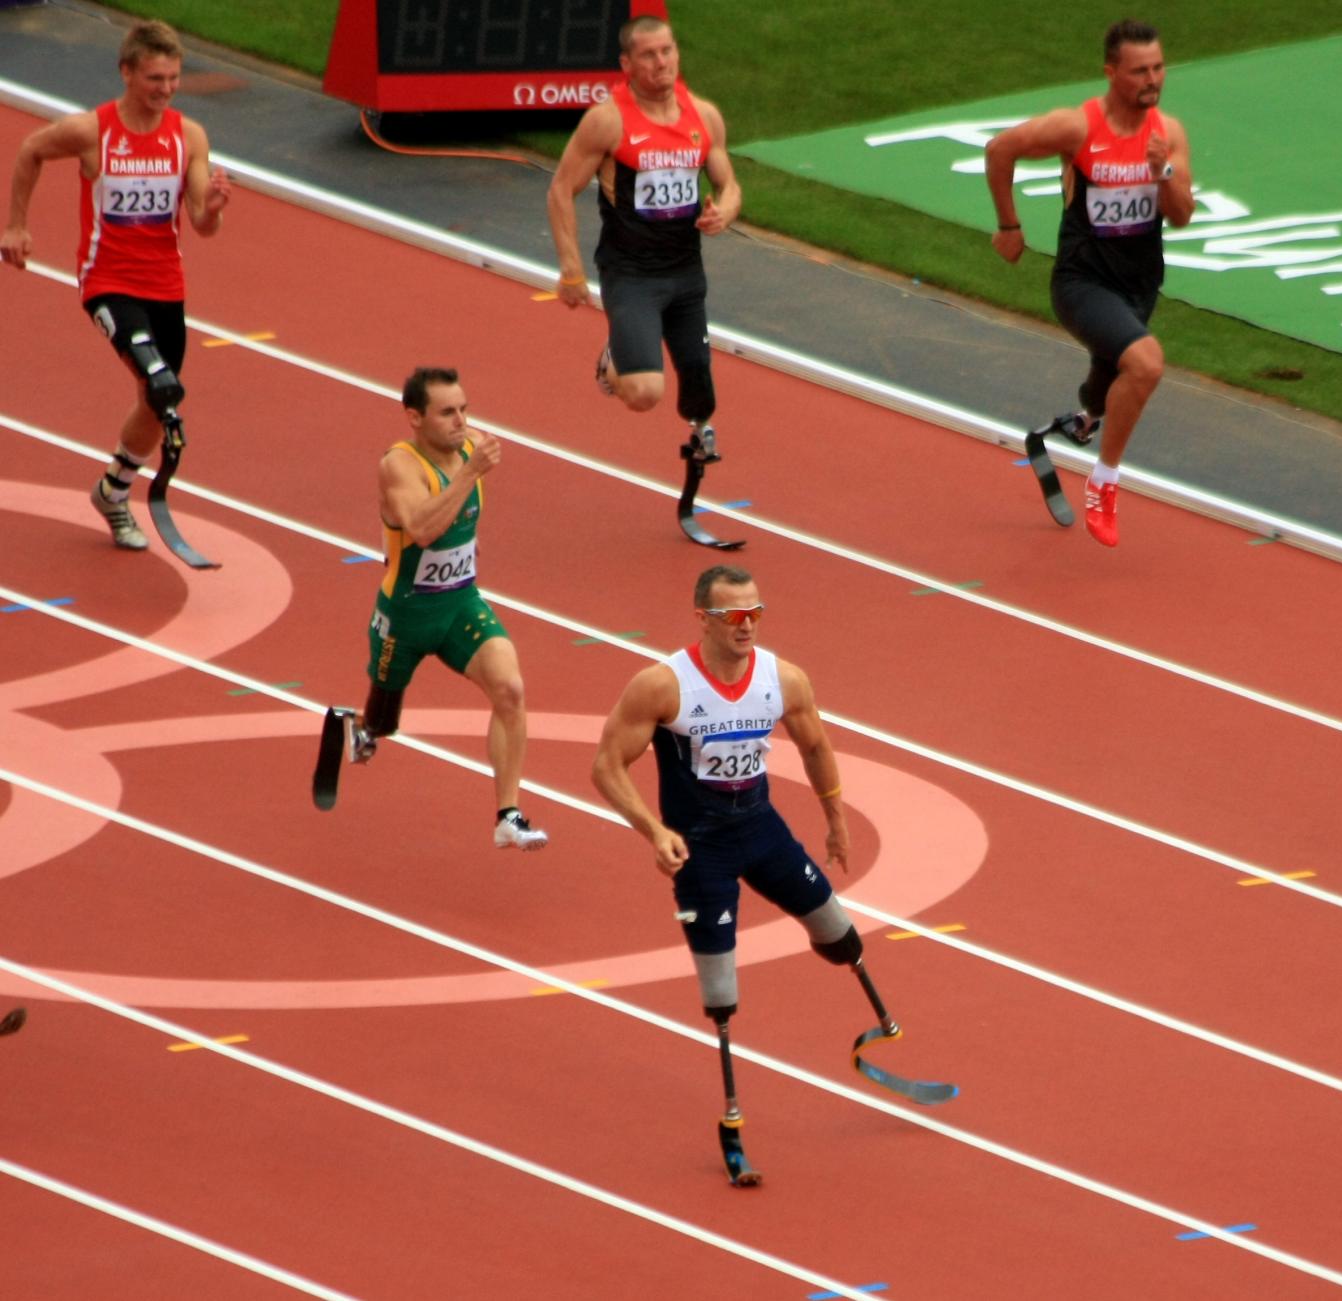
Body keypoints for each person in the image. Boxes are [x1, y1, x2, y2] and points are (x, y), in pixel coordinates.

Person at [591, 564, 864, 1176]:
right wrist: (654, 831)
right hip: (700, 847)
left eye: (755, 614)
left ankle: (877, 1017)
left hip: (762, 830)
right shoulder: (664, 686)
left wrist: (836, 820)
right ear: (703, 619)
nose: (747, 627)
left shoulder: (781, 677)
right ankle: (733, 1120)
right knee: (722, 992)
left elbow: (816, 745)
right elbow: (607, 766)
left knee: (841, 932)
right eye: (734, 616)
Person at [1, 19, 231, 551]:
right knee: (156, 377)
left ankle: (113, 489)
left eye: (173, 78)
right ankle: (119, 493)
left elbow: (201, 222)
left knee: (161, 398)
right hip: (106, 281)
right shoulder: (93, 131)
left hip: (166, 284)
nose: (166, 88)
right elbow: (32, 149)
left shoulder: (188, 136)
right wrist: (16, 224)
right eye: (155, 78)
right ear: (126, 73)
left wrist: (214, 209)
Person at [985, 18, 1194, 547]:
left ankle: (1085, 418)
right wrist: (1009, 225)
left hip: (1140, 285)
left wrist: (1164, 172)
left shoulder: (1166, 134)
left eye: (1158, 68)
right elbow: (999, 150)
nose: (1153, 80)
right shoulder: (1077, 128)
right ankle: (1105, 482)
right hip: (1081, 283)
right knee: (1145, 363)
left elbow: (1183, 217)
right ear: (1111, 73)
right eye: (1140, 71)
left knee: (1107, 388)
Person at [546, 17, 743, 544]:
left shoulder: (703, 116)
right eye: (649, 55)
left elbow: (729, 183)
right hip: (630, 275)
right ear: (627, 65)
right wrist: (571, 269)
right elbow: (561, 189)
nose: (662, 63)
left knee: (699, 396)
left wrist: (724, 211)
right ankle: (616, 357)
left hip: (686, 275)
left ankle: (695, 433)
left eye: (668, 51)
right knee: (643, 393)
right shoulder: (607, 122)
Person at [349, 368, 547, 852]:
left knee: (511, 689)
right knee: (383, 722)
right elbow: (422, 529)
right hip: (407, 614)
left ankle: (508, 815)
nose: (461, 421)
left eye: (464, 409)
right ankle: (361, 725)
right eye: (447, 412)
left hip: (459, 602)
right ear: (415, 418)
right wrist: (471, 471)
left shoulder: (470, 446)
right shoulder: (400, 465)